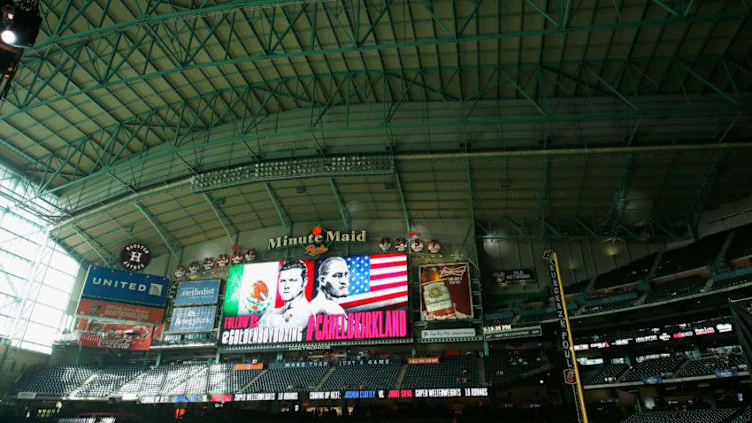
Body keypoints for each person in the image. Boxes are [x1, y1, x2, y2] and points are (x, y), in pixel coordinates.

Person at [257, 260, 312, 328]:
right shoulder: (272, 312)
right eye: (283, 281)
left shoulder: (305, 313)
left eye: (292, 280)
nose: (286, 286)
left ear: (304, 282)